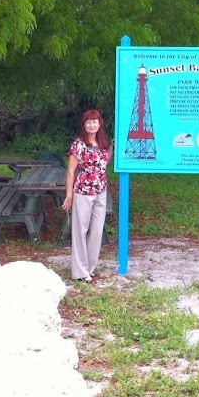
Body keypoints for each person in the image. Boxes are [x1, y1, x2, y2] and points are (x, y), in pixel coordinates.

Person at [61, 109, 113, 282]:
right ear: (84, 125)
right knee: (80, 231)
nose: (92, 125)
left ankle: (90, 268)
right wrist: (69, 195)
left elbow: (104, 162)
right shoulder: (79, 144)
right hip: (83, 191)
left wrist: (112, 147)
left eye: (95, 121)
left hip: (101, 190)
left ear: (100, 124)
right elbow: (70, 170)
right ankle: (80, 272)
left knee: (97, 231)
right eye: (88, 122)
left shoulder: (103, 143)